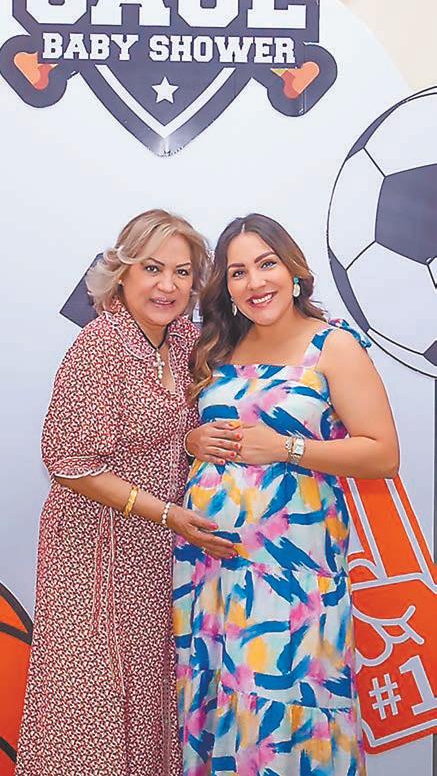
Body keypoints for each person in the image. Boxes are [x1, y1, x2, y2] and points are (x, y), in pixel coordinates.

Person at [174, 213, 399, 776]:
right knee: (223, 715)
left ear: (293, 271)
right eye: (238, 272)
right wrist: (193, 440)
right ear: (226, 286)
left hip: (293, 576)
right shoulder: (216, 348)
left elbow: (383, 454)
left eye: (266, 264)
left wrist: (286, 448)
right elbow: (184, 434)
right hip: (213, 575)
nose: (255, 282)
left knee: (284, 714)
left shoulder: (333, 346)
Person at [16, 209, 235, 776]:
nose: (168, 286)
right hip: (92, 555)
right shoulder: (100, 346)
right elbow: (67, 462)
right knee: (90, 706)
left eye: (182, 272)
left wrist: (190, 439)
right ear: (123, 272)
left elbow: (171, 426)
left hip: (156, 555)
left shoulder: (185, 341)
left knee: (147, 704)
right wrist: (163, 512)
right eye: (153, 268)